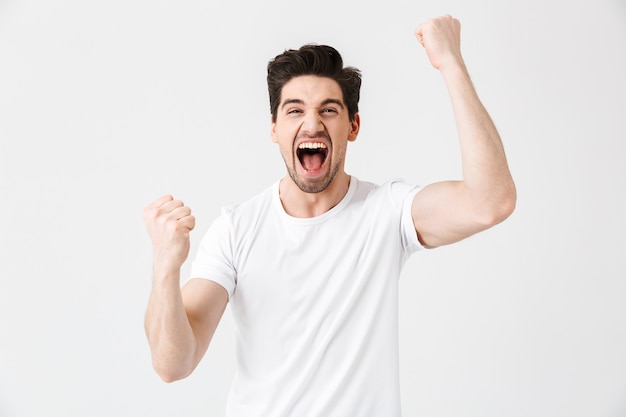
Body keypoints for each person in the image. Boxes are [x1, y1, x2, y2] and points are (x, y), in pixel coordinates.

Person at [142, 14, 516, 417]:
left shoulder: (387, 213)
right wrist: (166, 267)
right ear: (274, 128)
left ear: (353, 126)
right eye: (294, 110)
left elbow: (490, 202)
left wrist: (451, 64)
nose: (312, 123)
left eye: (329, 110)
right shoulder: (236, 229)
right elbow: (172, 364)